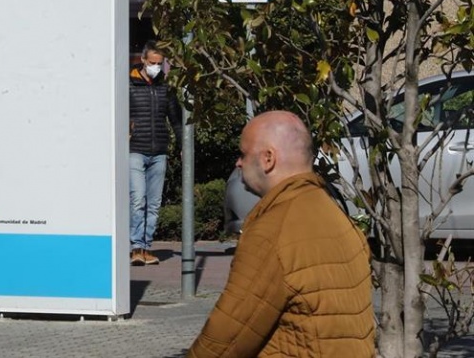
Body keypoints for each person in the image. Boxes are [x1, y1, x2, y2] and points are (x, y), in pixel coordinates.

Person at [187, 111, 375, 358]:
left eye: (243, 154)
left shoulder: (273, 230)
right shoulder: (338, 217)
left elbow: (228, 336)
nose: (238, 163)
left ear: (268, 159)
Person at [129, 42, 182, 266]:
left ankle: (147, 247)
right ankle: (135, 248)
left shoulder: (166, 88)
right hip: (135, 151)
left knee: (154, 204)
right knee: (138, 199)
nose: (156, 67)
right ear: (143, 60)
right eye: (152, 63)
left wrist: (182, 146)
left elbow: (176, 120)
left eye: (160, 64)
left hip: (159, 151)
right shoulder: (128, 86)